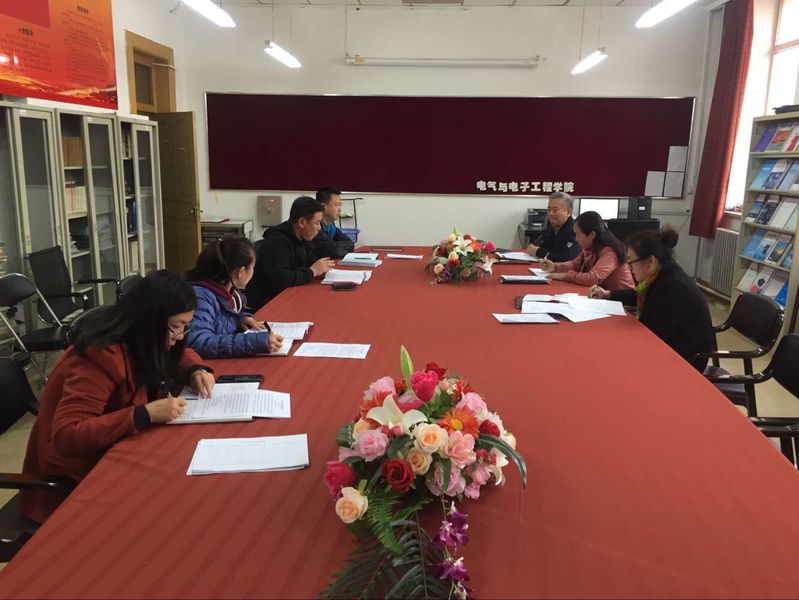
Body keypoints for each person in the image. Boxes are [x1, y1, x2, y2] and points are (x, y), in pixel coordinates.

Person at [20, 270, 215, 524]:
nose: (179, 336)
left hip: (113, 454)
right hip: (72, 482)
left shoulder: (144, 338)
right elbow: (68, 435)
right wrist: (143, 414)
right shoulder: (101, 355)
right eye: (176, 327)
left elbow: (179, 354)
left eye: (185, 327)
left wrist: (196, 370)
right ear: (150, 319)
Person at [588, 227, 714, 371]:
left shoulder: (672, 287)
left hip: (685, 360)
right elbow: (638, 295)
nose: (629, 267)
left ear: (650, 261)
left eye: (631, 261)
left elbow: (652, 334)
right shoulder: (661, 272)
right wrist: (608, 295)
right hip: (670, 345)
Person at [185, 235, 284, 358]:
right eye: (252, 267)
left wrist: (238, 319)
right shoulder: (200, 297)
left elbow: (219, 317)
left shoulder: (227, 291)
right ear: (241, 272)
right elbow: (199, 343)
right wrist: (255, 342)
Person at [246, 196, 336, 308]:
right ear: (302, 222)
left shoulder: (304, 239)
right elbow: (282, 280)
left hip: (290, 296)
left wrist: (321, 269)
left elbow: (311, 263)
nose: (319, 228)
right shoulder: (276, 243)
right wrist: (312, 271)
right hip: (267, 302)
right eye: (317, 223)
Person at [539, 211, 634, 290]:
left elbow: (593, 278)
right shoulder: (590, 247)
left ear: (592, 234)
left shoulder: (610, 252)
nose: (576, 239)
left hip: (620, 302)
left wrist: (565, 276)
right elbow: (575, 264)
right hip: (601, 295)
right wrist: (555, 267)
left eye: (578, 235)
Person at [526, 192, 581, 262]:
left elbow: (567, 258)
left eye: (555, 210)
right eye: (549, 209)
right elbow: (542, 246)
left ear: (568, 212)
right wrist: (534, 249)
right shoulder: (551, 225)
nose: (551, 213)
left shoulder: (575, 230)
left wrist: (539, 252)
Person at [313, 186, 355, 259]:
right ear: (323, 206)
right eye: (336, 205)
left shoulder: (331, 225)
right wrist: (334, 247)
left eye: (340, 205)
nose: (340, 209)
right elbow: (333, 252)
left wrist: (334, 246)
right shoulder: (315, 226)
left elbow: (350, 244)